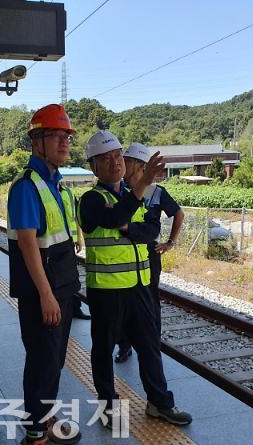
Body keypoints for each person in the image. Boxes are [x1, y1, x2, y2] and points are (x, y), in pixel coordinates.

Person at [78, 130, 192, 427]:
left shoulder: (133, 198)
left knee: (149, 345)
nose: (115, 162)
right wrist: (127, 215)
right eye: (106, 158)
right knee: (103, 350)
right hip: (107, 290)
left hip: (141, 286)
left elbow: (150, 232)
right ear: (94, 167)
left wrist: (129, 226)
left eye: (118, 156)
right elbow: (116, 219)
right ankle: (108, 407)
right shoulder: (90, 200)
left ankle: (159, 402)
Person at [7, 104, 81, 445]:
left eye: (67, 136)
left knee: (53, 361)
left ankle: (46, 416)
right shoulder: (27, 187)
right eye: (57, 136)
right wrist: (46, 294)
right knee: (41, 362)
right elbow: (27, 245)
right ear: (37, 142)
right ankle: (33, 443)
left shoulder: (56, 184)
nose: (65, 142)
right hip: (44, 293)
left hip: (62, 286)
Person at [115, 143, 184, 363]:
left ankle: (152, 343)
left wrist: (170, 243)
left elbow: (178, 213)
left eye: (126, 160)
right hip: (125, 253)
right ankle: (124, 345)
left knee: (150, 300)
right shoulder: (120, 190)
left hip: (149, 253)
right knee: (124, 301)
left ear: (138, 165)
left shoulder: (156, 191)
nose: (121, 164)